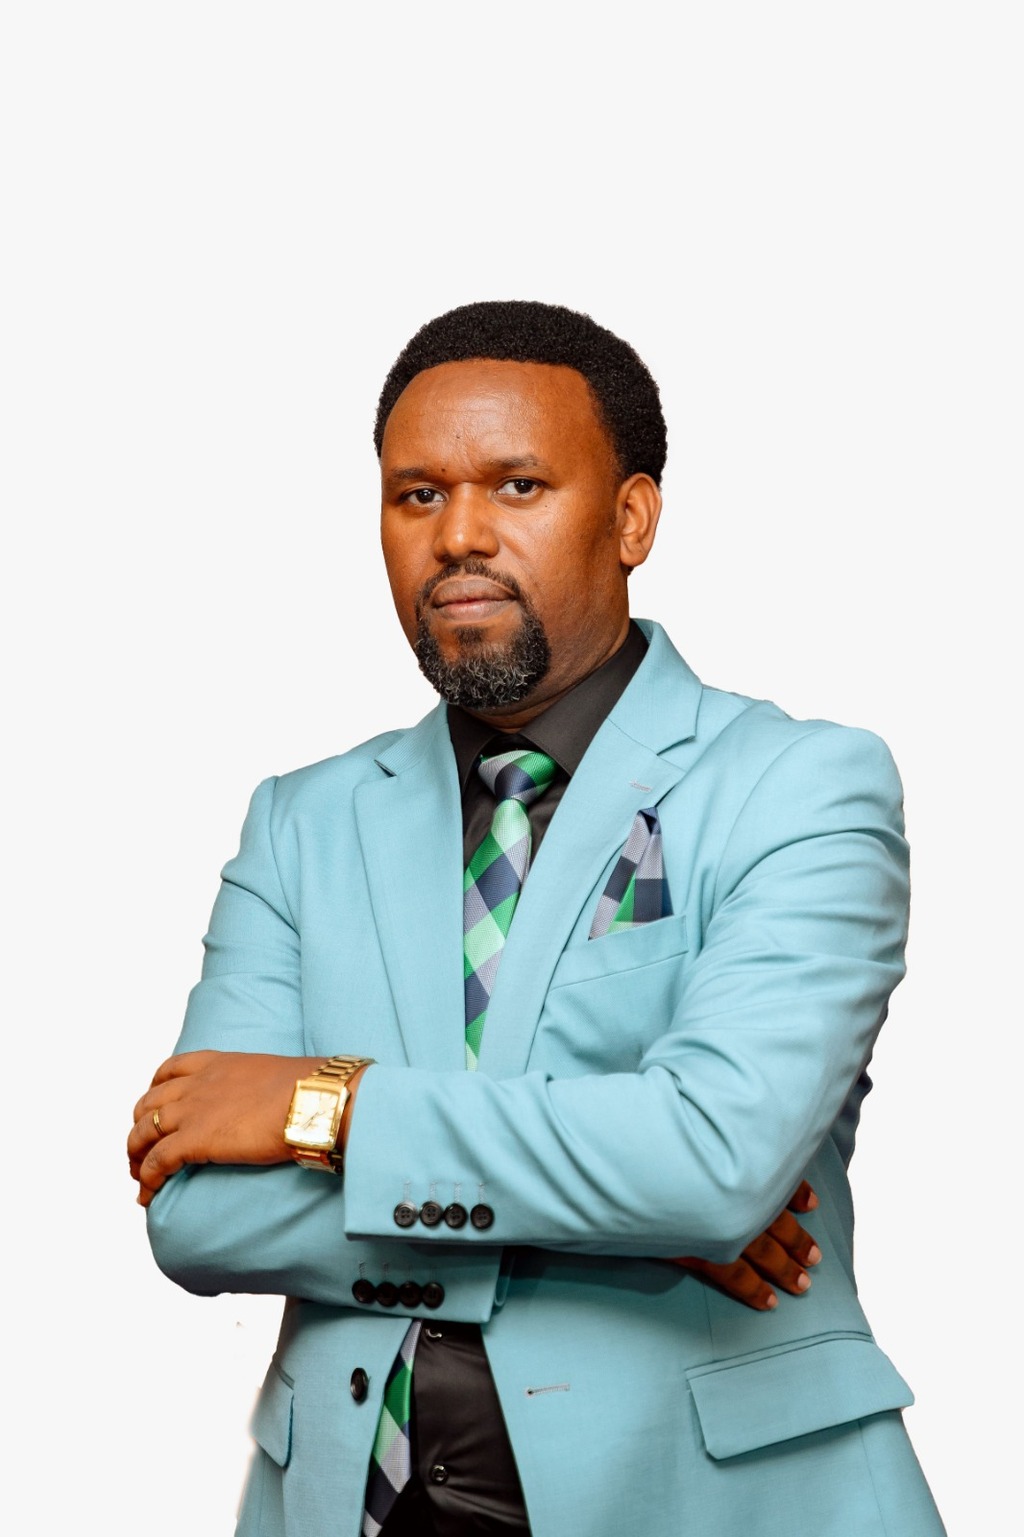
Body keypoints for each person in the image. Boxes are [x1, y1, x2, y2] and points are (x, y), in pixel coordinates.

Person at [128, 301, 944, 1536]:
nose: (459, 534)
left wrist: (326, 1106)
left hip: (706, 1502)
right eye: (416, 495)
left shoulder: (800, 786)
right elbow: (198, 1211)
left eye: (517, 485)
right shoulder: (301, 821)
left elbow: (710, 1160)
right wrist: (625, 1226)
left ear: (631, 518)